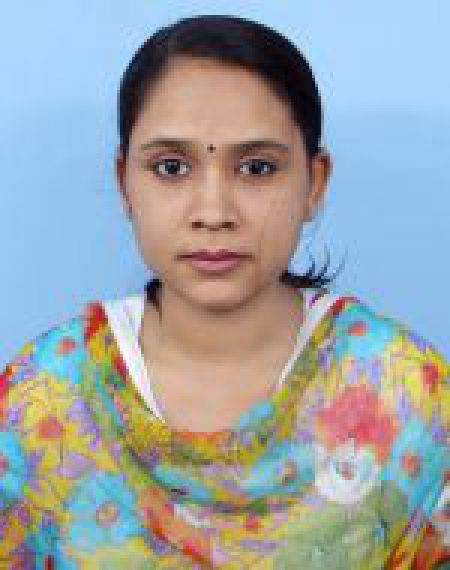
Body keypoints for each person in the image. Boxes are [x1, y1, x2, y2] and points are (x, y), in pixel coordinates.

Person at [0, 13, 448, 569]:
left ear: (314, 184)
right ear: (124, 184)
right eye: (171, 167)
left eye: (257, 168)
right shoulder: (45, 399)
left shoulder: (405, 394)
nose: (213, 212)